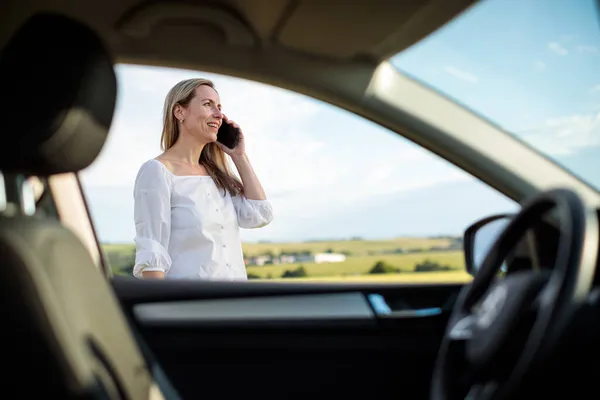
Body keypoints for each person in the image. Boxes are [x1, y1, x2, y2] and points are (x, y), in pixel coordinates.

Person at [132, 78, 273, 280]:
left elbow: (259, 215)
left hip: (234, 304)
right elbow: (152, 252)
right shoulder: (157, 171)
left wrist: (239, 156)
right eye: (208, 104)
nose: (219, 114)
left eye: (219, 107)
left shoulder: (217, 176)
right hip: (190, 305)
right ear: (179, 112)